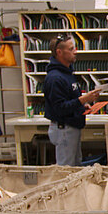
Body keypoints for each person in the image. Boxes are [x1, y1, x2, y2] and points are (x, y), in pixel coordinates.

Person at [43, 34, 100, 166]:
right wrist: (83, 99)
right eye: (71, 49)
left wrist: (82, 106)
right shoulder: (55, 78)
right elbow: (59, 108)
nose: (75, 51)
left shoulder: (67, 74)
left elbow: (69, 101)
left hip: (72, 128)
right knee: (66, 170)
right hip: (64, 130)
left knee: (75, 168)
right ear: (59, 52)